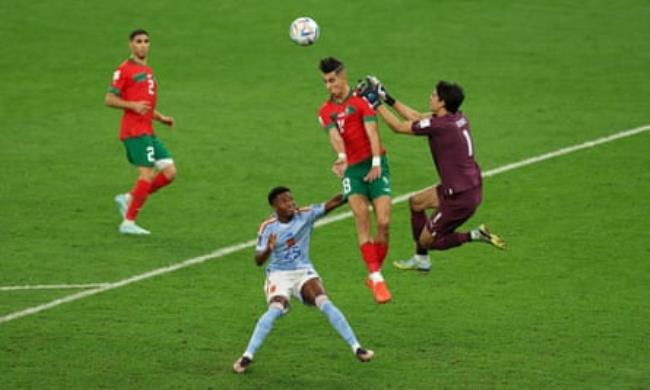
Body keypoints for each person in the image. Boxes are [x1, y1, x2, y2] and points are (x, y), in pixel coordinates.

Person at [357, 77, 505, 271]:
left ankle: (474, 235)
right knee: (416, 203)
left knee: (429, 241)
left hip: (461, 197)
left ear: (442, 102)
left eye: (434, 95)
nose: (430, 96)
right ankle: (421, 259)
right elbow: (417, 116)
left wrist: (374, 103)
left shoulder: (441, 126)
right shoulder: (456, 116)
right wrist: (387, 97)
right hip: (462, 186)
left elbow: (398, 127)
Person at [233, 187, 374, 374]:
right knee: (275, 309)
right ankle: (246, 357)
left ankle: (357, 348)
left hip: (303, 272)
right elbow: (258, 260)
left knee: (324, 300)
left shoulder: (305, 215)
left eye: (291, 199)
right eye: (284, 201)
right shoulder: (268, 226)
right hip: (279, 275)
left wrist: (354, 187)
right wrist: (268, 248)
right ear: (274, 206)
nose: (291, 203)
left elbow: (332, 203)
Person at [317, 57, 392, 303]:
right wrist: (341, 157)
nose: (329, 86)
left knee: (383, 222)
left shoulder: (361, 101)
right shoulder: (325, 111)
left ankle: (374, 271)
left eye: (332, 80)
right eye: (325, 82)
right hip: (353, 171)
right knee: (361, 217)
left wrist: (376, 164)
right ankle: (376, 277)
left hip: (376, 164)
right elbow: (334, 136)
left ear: (343, 75)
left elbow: (372, 131)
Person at [105, 29, 176, 235]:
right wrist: (132, 105)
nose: (143, 45)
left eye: (146, 41)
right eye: (138, 42)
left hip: (148, 130)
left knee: (170, 173)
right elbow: (109, 99)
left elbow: (145, 104)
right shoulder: (124, 70)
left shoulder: (148, 71)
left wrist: (161, 118)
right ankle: (128, 223)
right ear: (130, 45)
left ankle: (129, 198)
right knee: (147, 173)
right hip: (134, 131)